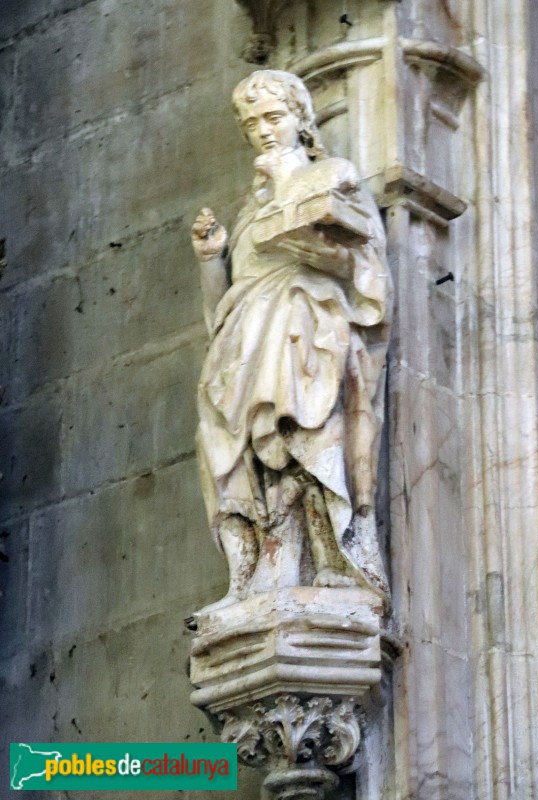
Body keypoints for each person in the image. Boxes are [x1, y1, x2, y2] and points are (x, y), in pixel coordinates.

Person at [191, 70, 392, 609]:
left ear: (301, 119)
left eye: (274, 117)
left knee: (302, 432)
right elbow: (224, 308)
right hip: (246, 338)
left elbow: (366, 271)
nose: (262, 131)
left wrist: (287, 191)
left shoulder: (333, 175)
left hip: (308, 328)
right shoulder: (249, 207)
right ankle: (260, 568)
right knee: (239, 449)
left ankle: (331, 561)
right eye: (251, 123)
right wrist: (212, 261)